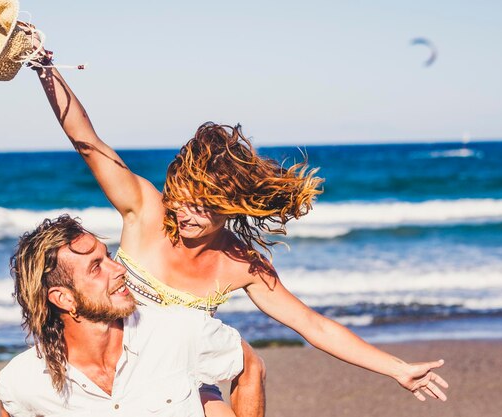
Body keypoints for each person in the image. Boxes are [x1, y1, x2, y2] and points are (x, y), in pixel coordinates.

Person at [27, 39, 449, 415]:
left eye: (207, 207)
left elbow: (311, 324)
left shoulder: (240, 263)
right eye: (184, 200)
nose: (188, 215)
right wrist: (46, 68)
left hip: (182, 375)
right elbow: (88, 141)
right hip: (112, 358)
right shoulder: (146, 210)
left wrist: (398, 369)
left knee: (249, 366)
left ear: (231, 208)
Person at [0, 215, 256, 417]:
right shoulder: (24, 380)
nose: (119, 269)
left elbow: (249, 366)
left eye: (108, 256)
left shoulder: (179, 330)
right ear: (64, 299)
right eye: (96, 268)